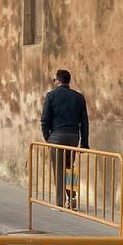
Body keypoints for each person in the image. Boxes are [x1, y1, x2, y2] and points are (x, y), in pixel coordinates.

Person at [40, 69, 89, 209]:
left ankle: (60, 203)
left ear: (58, 80)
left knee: (58, 168)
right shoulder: (79, 97)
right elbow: (84, 122)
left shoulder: (51, 96)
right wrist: (84, 143)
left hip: (57, 135)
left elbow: (44, 120)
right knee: (69, 168)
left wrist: (48, 138)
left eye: (54, 80)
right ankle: (72, 197)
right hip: (73, 136)